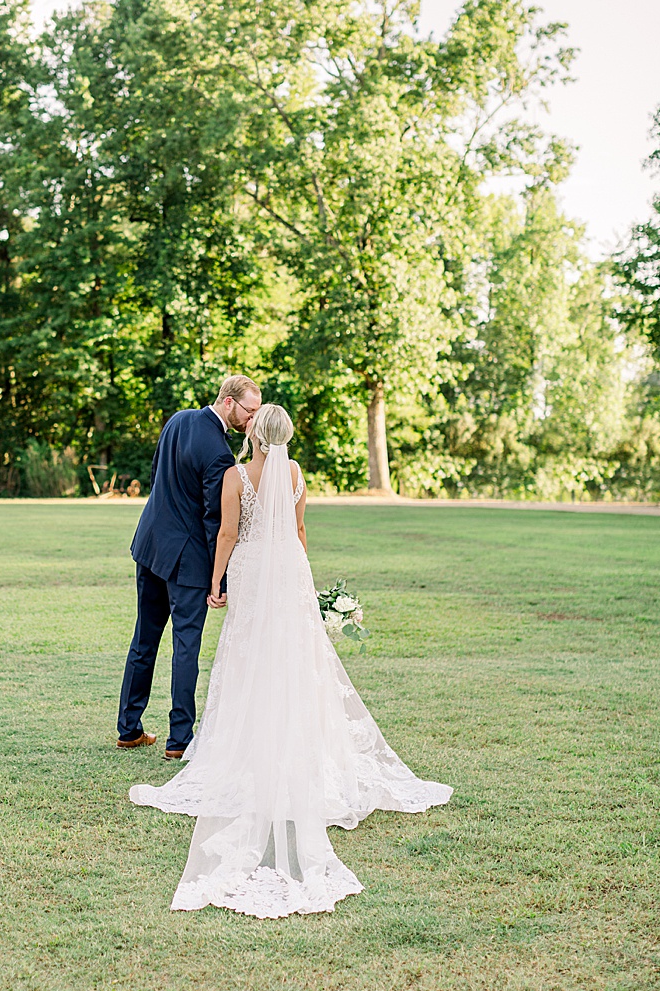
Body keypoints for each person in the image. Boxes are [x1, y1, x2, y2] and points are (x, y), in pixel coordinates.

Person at [130, 404, 452, 917]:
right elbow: (300, 532)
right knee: (295, 661)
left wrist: (216, 582)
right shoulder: (297, 473)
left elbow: (228, 536)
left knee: (248, 660)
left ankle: (249, 743)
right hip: (290, 570)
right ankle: (297, 741)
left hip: (254, 571)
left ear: (255, 434)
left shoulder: (238, 476)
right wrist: (304, 580)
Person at [117, 375, 262, 758]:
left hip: (150, 544)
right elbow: (216, 519)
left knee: (144, 640)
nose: (252, 421)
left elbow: (155, 476)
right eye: (249, 412)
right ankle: (179, 740)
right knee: (186, 649)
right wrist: (222, 578)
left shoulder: (178, 419)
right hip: (187, 562)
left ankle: (128, 729)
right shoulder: (219, 453)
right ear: (229, 402)